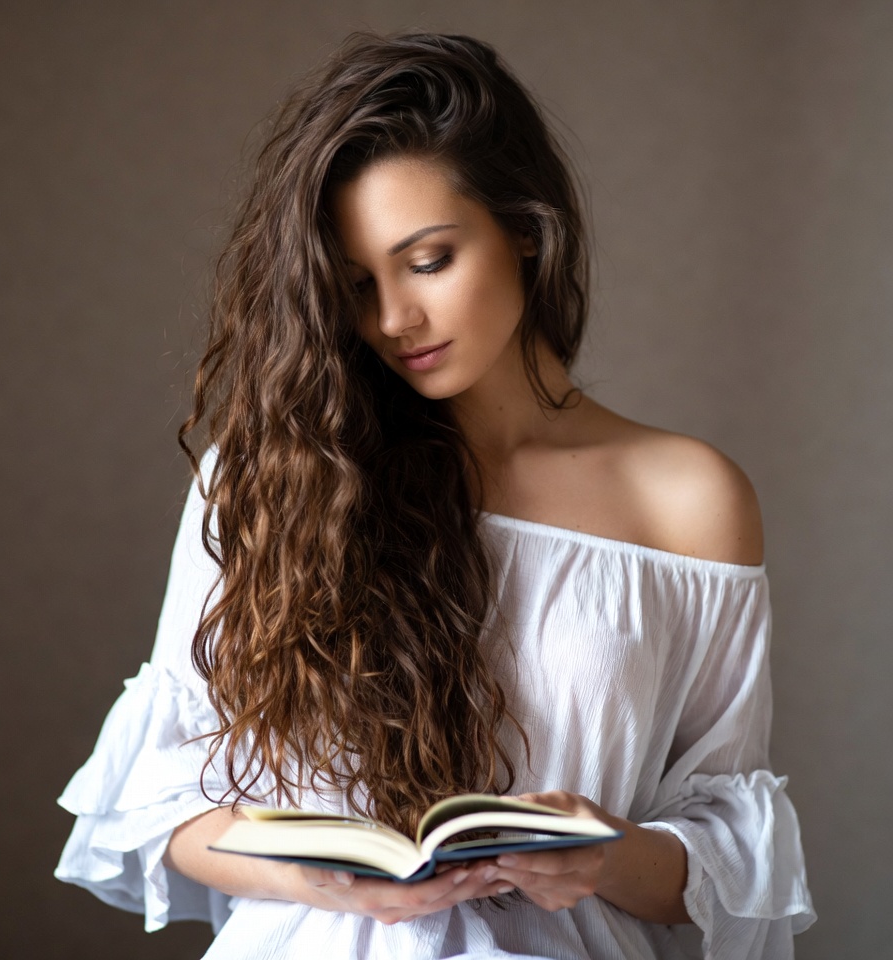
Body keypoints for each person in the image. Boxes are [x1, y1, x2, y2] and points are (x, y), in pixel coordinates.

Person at [55, 31, 815, 960]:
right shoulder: (276, 475)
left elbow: (730, 848)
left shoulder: (690, 499)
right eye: (357, 284)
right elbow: (161, 802)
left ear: (527, 229)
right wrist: (310, 876)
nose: (391, 320)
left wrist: (605, 858)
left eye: (427, 262)